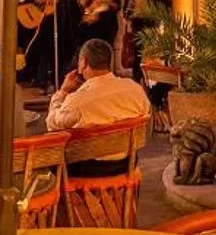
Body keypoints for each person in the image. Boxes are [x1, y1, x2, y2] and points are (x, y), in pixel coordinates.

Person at [45, 38, 151, 175]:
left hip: (91, 168)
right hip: (127, 162)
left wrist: (63, 91)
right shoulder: (135, 89)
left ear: (83, 62)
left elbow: (52, 124)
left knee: (49, 161)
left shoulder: (78, 101)